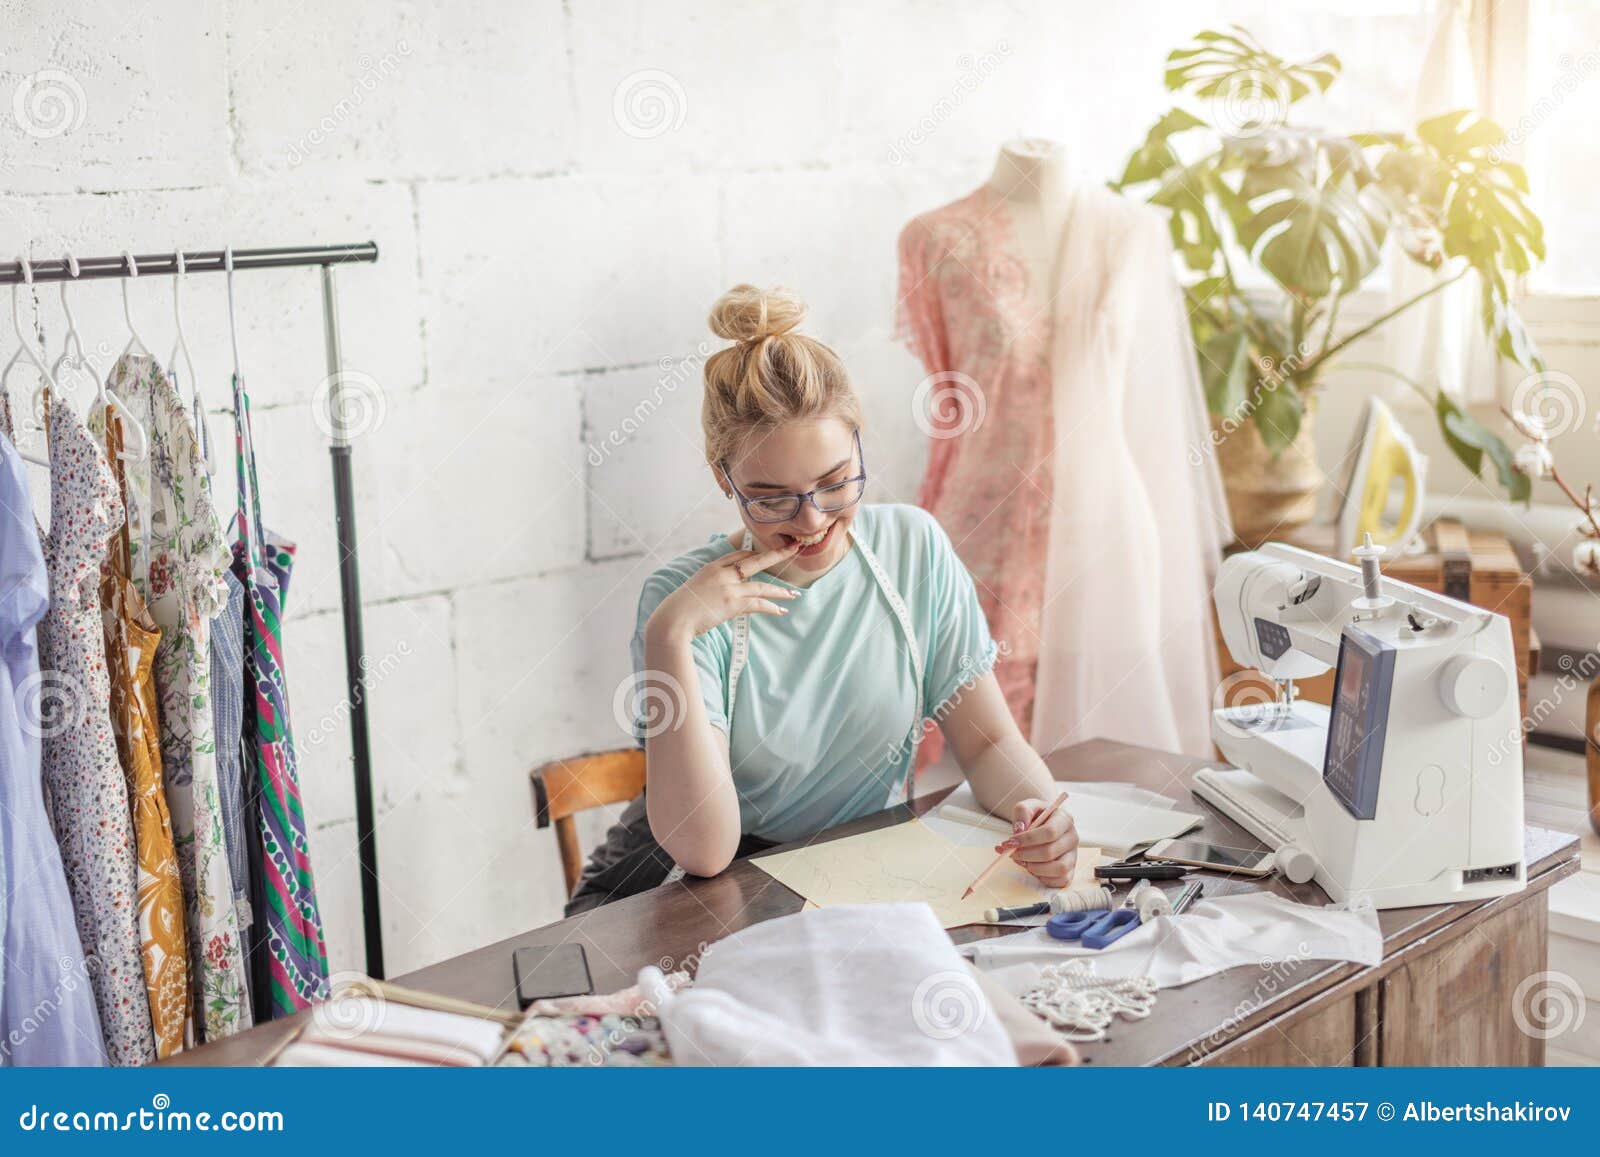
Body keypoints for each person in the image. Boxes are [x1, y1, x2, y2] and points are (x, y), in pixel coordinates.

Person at [566, 285, 1079, 914]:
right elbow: (705, 852)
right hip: (679, 887)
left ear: (860, 443)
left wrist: (1042, 813)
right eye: (771, 496)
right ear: (722, 478)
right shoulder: (679, 600)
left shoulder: (912, 548)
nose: (811, 521)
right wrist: (669, 636)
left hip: (848, 869)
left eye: (835, 483)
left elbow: (989, 744)